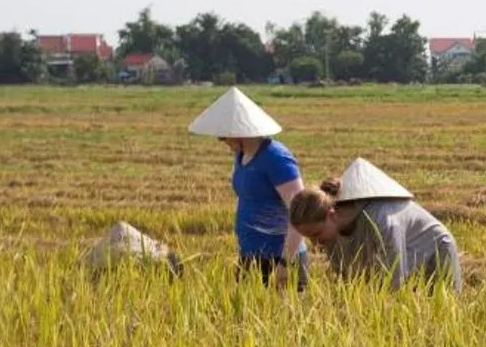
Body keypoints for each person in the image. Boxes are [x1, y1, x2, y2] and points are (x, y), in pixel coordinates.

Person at [187, 87, 305, 286]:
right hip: (251, 255)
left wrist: (286, 262)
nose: (222, 141)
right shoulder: (240, 156)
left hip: (279, 257)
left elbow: (300, 212)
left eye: (224, 137)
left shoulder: (276, 158)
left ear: (239, 133)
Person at [288, 157, 462, 292]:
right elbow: (348, 281)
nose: (315, 243)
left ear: (331, 215)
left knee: (441, 310)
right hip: (399, 264)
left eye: (316, 234)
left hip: (434, 253)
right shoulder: (331, 236)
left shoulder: (383, 221)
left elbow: (394, 282)